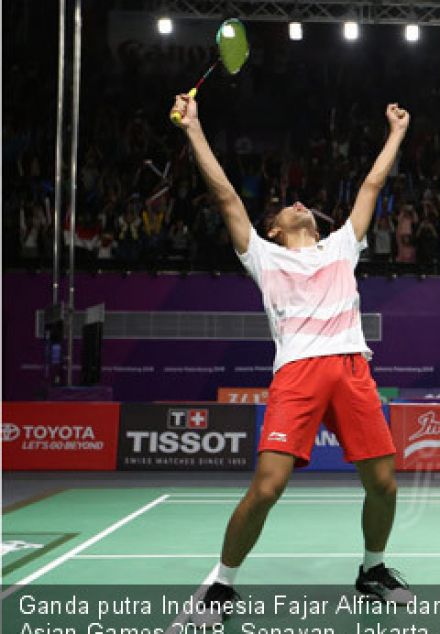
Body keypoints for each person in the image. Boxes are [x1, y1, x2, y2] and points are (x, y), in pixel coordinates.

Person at [169, 93, 413, 621]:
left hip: (350, 365)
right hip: (298, 373)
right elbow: (227, 196)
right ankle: (222, 583)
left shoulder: (342, 245)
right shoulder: (263, 254)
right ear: (275, 228)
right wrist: (193, 129)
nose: (299, 202)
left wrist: (395, 132)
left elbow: (372, 184)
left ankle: (372, 570)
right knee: (268, 485)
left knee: (384, 483)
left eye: (307, 207)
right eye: (288, 206)